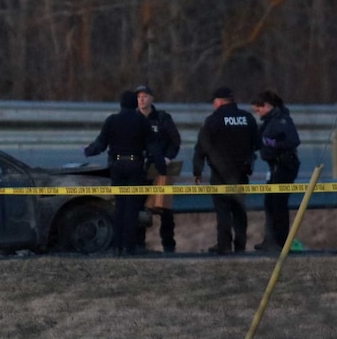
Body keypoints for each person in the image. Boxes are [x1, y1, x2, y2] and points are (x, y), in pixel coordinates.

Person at [84, 91, 167, 255]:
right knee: (132, 209)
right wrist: (161, 168)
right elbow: (154, 147)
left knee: (119, 207)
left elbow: (100, 144)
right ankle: (129, 246)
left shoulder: (112, 121)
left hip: (117, 167)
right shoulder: (141, 122)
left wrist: (87, 151)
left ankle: (117, 246)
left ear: (121, 104)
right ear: (134, 104)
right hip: (135, 166)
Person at [193, 86, 260, 254]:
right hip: (242, 172)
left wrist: (197, 171)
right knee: (239, 211)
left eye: (215, 101)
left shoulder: (213, 120)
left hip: (220, 173)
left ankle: (224, 245)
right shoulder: (248, 118)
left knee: (223, 211)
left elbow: (201, 147)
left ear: (220, 101)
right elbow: (257, 144)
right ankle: (240, 245)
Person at [133, 85, 182, 253]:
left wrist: (168, 157)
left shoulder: (162, 118)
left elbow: (175, 140)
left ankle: (169, 245)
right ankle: (140, 245)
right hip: (139, 169)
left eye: (145, 96)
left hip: (161, 169)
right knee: (138, 207)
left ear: (152, 98)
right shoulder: (133, 118)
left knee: (165, 210)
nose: (141, 99)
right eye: (139, 96)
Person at [251, 90, 301, 252]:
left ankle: (280, 242)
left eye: (258, 109)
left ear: (266, 106)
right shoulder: (268, 121)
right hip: (275, 167)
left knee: (278, 204)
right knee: (270, 203)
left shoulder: (282, 120)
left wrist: (274, 145)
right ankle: (270, 240)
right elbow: (258, 140)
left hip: (284, 166)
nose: (257, 113)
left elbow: (294, 140)